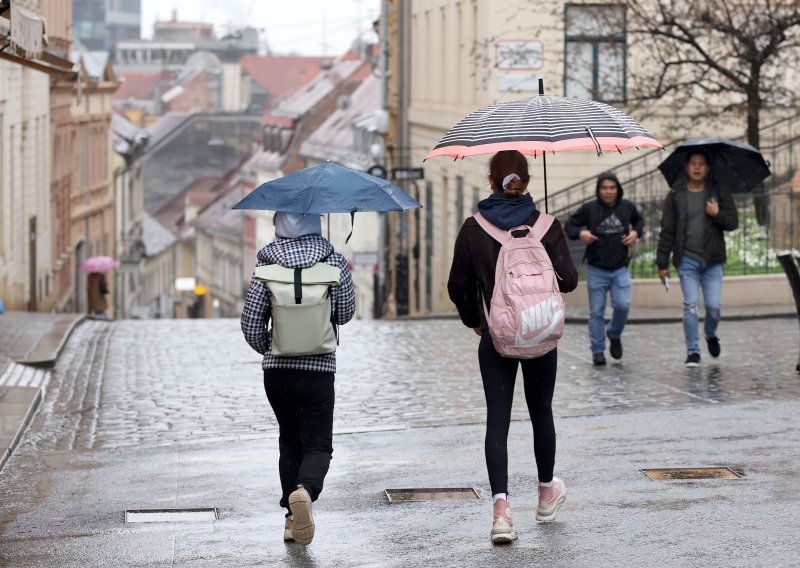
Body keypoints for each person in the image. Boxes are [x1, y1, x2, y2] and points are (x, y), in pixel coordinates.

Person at [447, 150, 578, 544]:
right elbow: (569, 280)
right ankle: (545, 496)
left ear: (491, 181)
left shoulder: (474, 228)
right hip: (540, 335)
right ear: (526, 181)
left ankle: (502, 514)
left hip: (497, 338)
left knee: (497, 422)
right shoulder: (547, 225)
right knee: (542, 413)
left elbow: (457, 287)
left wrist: (475, 319)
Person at [241, 211, 356, 545]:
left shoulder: (265, 266)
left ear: (279, 226)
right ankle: (304, 491)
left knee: (289, 439)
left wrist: (273, 346)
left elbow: (251, 324)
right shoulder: (334, 262)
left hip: (278, 373)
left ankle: (291, 519)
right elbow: (345, 313)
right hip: (319, 369)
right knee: (318, 443)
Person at [656, 150, 739, 367]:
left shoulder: (719, 191)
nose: (697, 167)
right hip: (687, 261)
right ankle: (693, 351)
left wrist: (716, 213)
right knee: (690, 305)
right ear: (686, 167)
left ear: (708, 168)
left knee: (714, 307)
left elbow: (732, 222)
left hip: (712, 261)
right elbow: (667, 230)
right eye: (693, 163)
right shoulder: (675, 194)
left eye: (702, 163)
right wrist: (662, 263)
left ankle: (710, 334)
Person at [565, 171, 644, 366]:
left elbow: (639, 221)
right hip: (596, 268)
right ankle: (598, 350)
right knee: (596, 312)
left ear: (618, 189)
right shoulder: (589, 209)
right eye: (604, 188)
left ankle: (614, 333)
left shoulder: (627, 207)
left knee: (623, 305)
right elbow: (570, 225)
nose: (608, 192)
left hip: (620, 268)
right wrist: (581, 233)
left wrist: (635, 233)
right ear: (598, 190)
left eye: (612, 188)